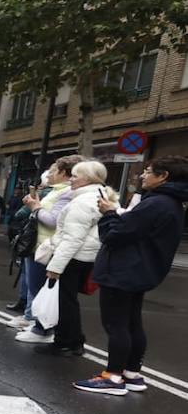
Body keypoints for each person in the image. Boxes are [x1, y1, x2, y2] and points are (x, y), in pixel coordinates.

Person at [74, 156, 188, 394]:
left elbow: (115, 235)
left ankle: (112, 376)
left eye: (147, 171)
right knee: (132, 323)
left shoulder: (155, 203)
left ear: (163, 176)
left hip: (123, 270)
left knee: (116, 325)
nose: (142, 175)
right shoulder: (171, 203)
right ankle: (131, 373)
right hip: (141, 270)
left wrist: (108, 213)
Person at [35, 160, 109, 358]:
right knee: (68, 300)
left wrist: (56, 267)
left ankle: (68, 342)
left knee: (65, 301)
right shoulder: (100, 196)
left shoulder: (83, 202)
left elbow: (72, 238)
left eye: (75, 176)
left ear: (88, 179)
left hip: (74, 257)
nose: (72, 179)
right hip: (85, 256)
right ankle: (70, 340)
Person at [12, 157, 79, 341]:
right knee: (37, 287)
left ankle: (43, 330)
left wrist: (35, 207)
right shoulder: (56, 191)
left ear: (63, 173)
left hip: (46, 246)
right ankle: (39, 326)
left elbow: (53, 221)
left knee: (41, 288)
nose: (49, 174)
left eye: (53, 170)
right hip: (40, 244)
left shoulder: (65, 193)